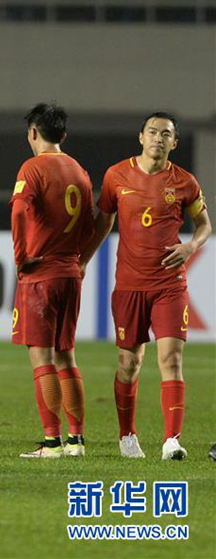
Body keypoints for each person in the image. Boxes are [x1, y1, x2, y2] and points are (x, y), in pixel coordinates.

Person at [79, 112, 210, 461]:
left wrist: (190, 247)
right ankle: (127, 436)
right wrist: (83, 261)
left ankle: (172, 440)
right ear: (141, 137)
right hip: (130, 285)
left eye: (165, 134)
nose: (158, 138)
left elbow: (204, 225)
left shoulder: (184, 182)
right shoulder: (116, 176)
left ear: (174, 143)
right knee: (129, 363)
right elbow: (103, 224)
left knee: (171, 358)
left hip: (170, 284)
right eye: (152, 132)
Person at [10, 103, 94, 459]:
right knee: (66, 355)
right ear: (62, 135)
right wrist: (79, 258)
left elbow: (17, 211)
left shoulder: (32, 168)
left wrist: (20, 257)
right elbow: (91, 222)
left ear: (33, 132)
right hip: (70, 273)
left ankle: (51, 442)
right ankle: (76, 440)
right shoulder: (79, 171)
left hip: (40, 275)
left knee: (41, 357)